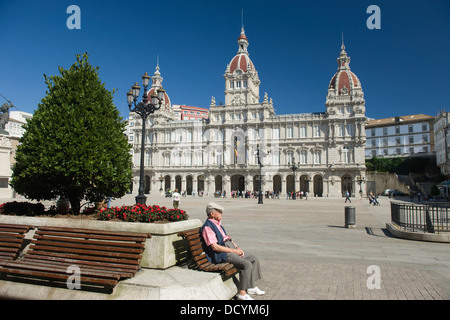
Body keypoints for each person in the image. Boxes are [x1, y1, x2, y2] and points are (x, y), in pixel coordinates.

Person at [201, 202, 264, 300]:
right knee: (246, 264)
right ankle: (242, 293)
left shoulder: (218, 225)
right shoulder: (208, 227)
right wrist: (233, 251)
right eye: (220, 212)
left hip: (228, 251)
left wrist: (237, 248)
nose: (222, 213)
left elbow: (228, 239)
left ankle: (251, 287)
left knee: (254, 258)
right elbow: (215, 247)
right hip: (220, 255)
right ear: (212, 214)